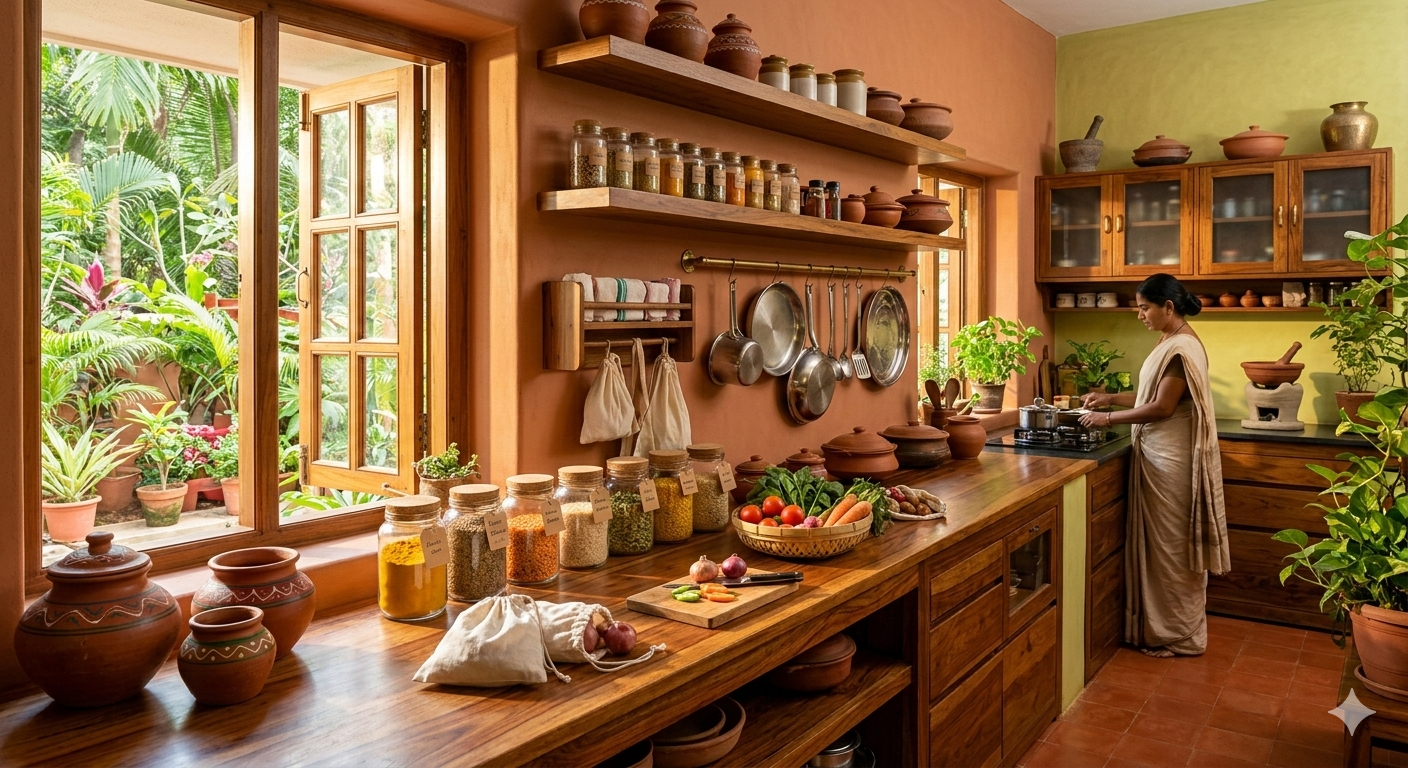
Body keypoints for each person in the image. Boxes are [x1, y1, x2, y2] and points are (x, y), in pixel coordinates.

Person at [1078, 273, 1229, 657]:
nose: (1139, 314)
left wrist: (1107, 419)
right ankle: (1161, 628)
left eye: (1144, 307)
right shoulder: (1171, 341)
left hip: (1171, 462)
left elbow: (1162, 408)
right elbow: (1152, 394)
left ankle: (1178, 634)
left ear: (1168, 307)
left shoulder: (1182, 349)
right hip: (1161, 456)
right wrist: (1110, 397)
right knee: (1163, 549)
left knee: (1171, 551)